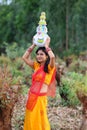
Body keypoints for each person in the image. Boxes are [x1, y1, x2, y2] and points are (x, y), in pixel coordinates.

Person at [22, 42, 56, 130]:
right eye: (37, 54)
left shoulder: (49, 68)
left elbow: (52, 57)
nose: (39, 56)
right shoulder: (36, 66)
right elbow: (24, 57)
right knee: (31, 118)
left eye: (41, 54)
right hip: (32, 97)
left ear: (46, 56)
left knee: (40, 119)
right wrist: (33, 45)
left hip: (40, 99)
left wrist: (47, 46)